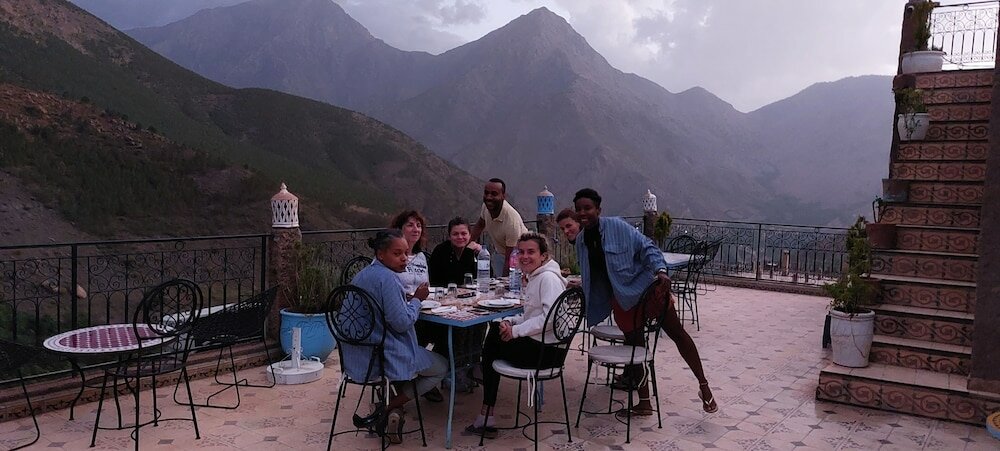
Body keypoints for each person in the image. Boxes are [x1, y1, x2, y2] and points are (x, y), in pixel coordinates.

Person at [573, 188, 717, 417]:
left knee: (678, 334)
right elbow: (593, 275)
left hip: (648, 291)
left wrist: (660, 270)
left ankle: (704, 386)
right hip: (622, 301)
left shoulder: (617, 227)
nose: (583, 213)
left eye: (587, 208)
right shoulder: (581, 241)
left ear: (598, 210)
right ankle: (644, 403)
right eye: (578, 209)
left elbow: (647, 247)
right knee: (637, 350)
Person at [344, 229, 449, 444]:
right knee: (441, 367)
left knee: (418, 356)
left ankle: (392, 408)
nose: (404, 259)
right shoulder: (388, 279)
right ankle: (387, 407)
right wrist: (418, 300)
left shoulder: (363, 275)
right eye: (397, 254)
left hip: (356, 354)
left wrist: (404, 299)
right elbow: (401, 323)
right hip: (380, 356)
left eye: (406, 253)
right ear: (381, 254)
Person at [466, 232, 569, 438]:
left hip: (547, 354)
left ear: (544, 256)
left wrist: (515, 331)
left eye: (531, 252)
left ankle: (486, 415)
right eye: (520, 252)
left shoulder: (547, 279)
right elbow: (534, 314)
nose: (524, 256)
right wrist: (511, 322)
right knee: (496, 332)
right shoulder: (538, 276)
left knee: (492, 343)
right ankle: (485, 410)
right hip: (544, 347)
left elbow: (550, 319)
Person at [471, 178, 529, 276]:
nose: (489, 197)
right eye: (486, 193)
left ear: (503, 196)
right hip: (500, 252)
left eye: (494, 194)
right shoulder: (486, 207)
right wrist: (465, 245)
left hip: (518, 257)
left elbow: (509, 258)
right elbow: (480, 225)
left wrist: (504, 283)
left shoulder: (511, 221)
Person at [428, 217, 482, 286]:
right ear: (449, 236)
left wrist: (482, 254)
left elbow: (488, 276)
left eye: (463, 233)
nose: (460, 237)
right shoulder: (441, 251)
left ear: (470, 235)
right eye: (455, 234)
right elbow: (456, 279)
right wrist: (467, 252)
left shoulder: (475, 249)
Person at [389, 210, 429, 297]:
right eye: (410, 225)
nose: (416, 230)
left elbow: (426, 286)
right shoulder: (389, 256)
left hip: (422, 305)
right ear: (399, 229)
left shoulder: (420, 257)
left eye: (418, 226)